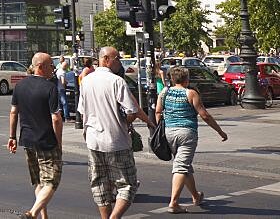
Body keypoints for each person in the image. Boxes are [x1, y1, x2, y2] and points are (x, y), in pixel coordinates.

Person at [77, 47, 153, 219]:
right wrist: (124, 123)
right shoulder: (116, 81)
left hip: (93, 140)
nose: (119, 61)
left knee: (100, 184)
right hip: (116, 139)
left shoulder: (87, 81)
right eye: (117, 58)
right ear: (105, 59)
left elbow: (82, 111)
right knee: (127, 184)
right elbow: (132, 111)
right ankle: (114, 217)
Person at [155, 66, 228, 213]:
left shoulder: (165, 91)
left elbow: (158, 112)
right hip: (187, 133)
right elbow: (204, 115)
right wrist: (220, 131)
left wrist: (162, 128)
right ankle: (174, 203)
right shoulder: (191, 93)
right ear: (186, 79)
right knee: (181, 166)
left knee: (184, 165)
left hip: (169, 133)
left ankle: (196, 196)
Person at [8, 52, 63, 219]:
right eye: (50, 66)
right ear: (40, 67)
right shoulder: (50, 87)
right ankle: (32, 214)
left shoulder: (20, 86)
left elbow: (13, 112)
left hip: (28, 140)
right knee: (51, 182)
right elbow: (56, 118)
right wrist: (58, 142)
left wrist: (12, 137)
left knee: (39, 181)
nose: (53, 69)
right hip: (46, 141)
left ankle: (43, 216)